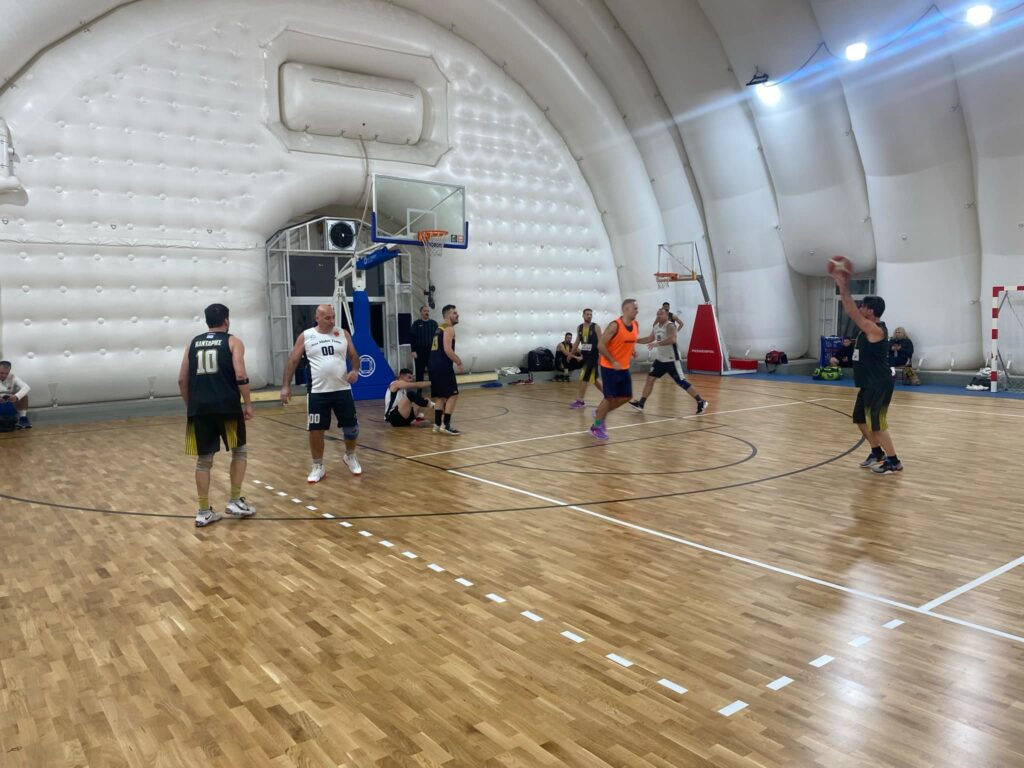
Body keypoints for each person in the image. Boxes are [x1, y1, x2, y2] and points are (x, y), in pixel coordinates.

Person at [178, 303, 256, 527]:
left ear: (207, 321)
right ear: (226, 320)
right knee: (239, 451)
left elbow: (181, 380)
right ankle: (235, 500)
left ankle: (203, 511)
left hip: (199, 410)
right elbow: (240, 373)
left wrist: (191, 406)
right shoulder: (233, 342)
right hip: (227, 408)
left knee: (203, 462)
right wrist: (248, 403)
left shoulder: (192, 343)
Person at [281, 304, 362, 482]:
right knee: (316, 430)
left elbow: (354, 356)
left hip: (342, 389)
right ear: (317, 318)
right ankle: (318, 465)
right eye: (327, 318)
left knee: (352, 428)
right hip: (318, 392)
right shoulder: (306, 336)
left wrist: (355, 371)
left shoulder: (342, 333)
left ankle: (350, 455)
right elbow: (293, 360)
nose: (332, 321)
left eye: (333, 317)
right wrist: (286, 386)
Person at [832, 270, 902, 474]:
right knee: (860, 419)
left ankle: (894, 462)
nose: (859, 308)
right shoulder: (865, 330)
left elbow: (851, 312)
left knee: (877, 425)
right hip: (867, 384)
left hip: (878, 384)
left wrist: (842, 286)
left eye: (862, 306)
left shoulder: (875, 330)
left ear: (870, 311)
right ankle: (877, 452)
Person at [629, 308, 708, 414]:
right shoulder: (656, 326)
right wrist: (635, 340)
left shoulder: (670, 326)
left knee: (681, 382)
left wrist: (657, 344)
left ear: (666, 315)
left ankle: (700, 401)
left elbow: (672, 339)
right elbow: (649, 339)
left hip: (672, 359)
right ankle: (641, 403)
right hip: (660, 359)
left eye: (661, 314)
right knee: (650, 379)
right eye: (657, 314)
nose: (658, 316)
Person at [590, 299, 640, 440]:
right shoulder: (614, 326)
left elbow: (629, 340)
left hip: (623, 367)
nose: (637, 311)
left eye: (637, 309)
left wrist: (632, 350)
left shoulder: (635, 325)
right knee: (609, 397)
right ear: (625, 309)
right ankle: (596, 427)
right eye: (635, 308)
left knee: (626, 396)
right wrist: (612, 361)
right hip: (609, 367)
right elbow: (601, 345)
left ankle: (599, 412)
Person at [429, 304, 464, 435]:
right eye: (454, 313)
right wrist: (458, 362)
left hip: (433, 366)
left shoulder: (439, 328)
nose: (457, 315)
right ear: (448, 315)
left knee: (441, 396)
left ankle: (437, 425)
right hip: (442, 366)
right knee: (453, 394)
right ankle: (446, 424)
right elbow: (447, 349)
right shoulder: (449, 329)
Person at [569, 308, 603, 408]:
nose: (589, 316)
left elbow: (601, 342)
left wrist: (601, 356)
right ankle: (608, 395)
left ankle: (580, 401)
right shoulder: (579, 327)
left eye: (591, 314)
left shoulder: (596, 327)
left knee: (584, 377)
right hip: (585, 357)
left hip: (593, 357)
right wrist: (571, 354)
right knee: (594, 379)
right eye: (587, 314)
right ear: (583, 315)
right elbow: (577, 342)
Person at [409, 305, 438, 382]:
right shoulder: (416, 323)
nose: (426, 312)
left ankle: (434, 387)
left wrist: (437, 350)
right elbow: (412, 338)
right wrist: (413, 350)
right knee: (419, 371)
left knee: (432, 370)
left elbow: (437, 338)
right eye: (425, 311)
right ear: (421, 312)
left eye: (427, 311)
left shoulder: (434, 323)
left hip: (431, 351)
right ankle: (419, 389)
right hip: (419, 351)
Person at [0, 360, 31, 429]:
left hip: (9, 403)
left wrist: (16, 396)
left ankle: (23, 419)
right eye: (1, 373)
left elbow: (26, 387)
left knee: (23, 395)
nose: (4, 375)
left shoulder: (13, 377)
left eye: (6, 373)